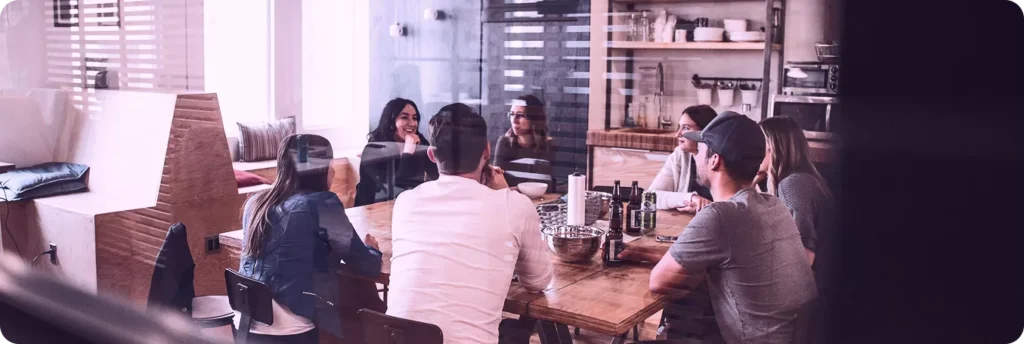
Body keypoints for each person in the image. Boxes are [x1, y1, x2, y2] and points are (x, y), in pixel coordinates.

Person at [619, 112, 817, 344]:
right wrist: (640, 253)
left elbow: (659, 280)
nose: (696, 153)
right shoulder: (773, 205)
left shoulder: (720, 215)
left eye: (701, 147)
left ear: (715, 160)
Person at [387, 103, 553, 344]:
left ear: (431, 154)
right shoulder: (514, 206)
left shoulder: (405, 202)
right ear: (487, 150)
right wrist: (504, 193)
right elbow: (538, 281)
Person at [237, 134, 383, 344]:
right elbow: (367, 265)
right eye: (330, 164)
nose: (333, 170)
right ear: (320, 168)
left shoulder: (256, 203)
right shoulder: (321, 204)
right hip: (290, 330)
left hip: (246, 323)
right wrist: (372, 249)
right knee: (359, 305)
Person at [355, 98, 440, 206]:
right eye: (404, 117)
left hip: (407, 206)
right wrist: (408, 153)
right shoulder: (374, 149)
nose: (412, 123)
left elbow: (437, 175)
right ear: (391, 122)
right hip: (372, 209)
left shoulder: (419, 142)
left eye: (415, 118)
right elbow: (395, 191)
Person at [649, 105, 718, 213]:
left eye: (686, 128)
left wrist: (707, 207)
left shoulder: (721, 159)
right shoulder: (679, 155)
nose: (678, 134)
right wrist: (691, 198)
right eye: (679, 127)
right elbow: (651, 197)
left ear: (705, 132)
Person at [492, 94, 556, 190]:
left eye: (520, 115)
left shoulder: (548, 146)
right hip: (510, 198)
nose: (514, 120)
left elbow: (546, 186)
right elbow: (495, 183)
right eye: (512, 114)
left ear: (534, 119)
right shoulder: (505, 143)